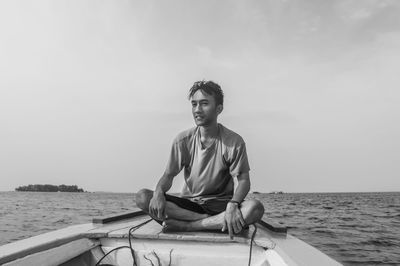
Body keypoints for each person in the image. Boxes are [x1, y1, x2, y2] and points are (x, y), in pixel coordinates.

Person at [135, 80, 264, 239]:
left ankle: (189, 226)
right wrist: (159, 192)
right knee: (142, 197)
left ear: (219, 109)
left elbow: (244, 181)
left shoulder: (233, 141)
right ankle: (209, 222)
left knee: (255, 208)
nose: (197, 110)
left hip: (221, 206)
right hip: (190, 208)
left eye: (204, 104)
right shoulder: (182, 140)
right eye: (194, 104)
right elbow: (168, 176)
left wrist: (233, 204)